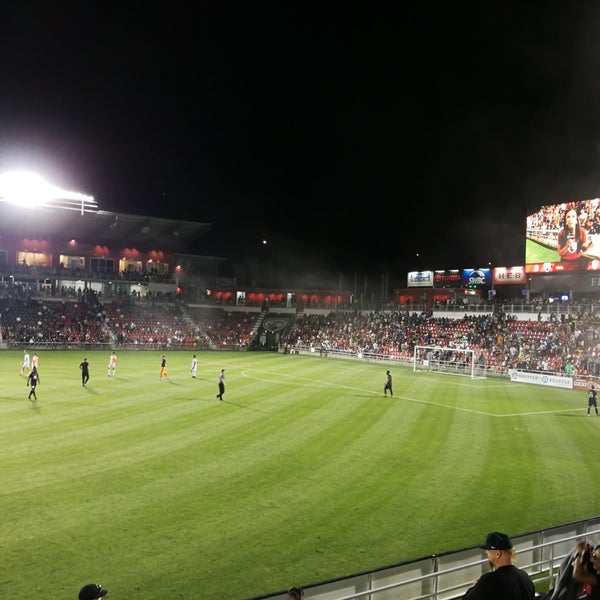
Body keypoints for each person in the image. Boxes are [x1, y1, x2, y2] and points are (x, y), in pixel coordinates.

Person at [462, 531, 535, 599]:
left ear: (497, 554)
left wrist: (474, 587)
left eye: (489, 550)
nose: (487, 553)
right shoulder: (525, 577)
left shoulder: (489, 581)